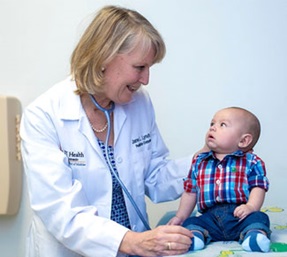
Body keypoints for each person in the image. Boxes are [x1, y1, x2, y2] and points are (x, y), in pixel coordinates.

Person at [20, 5, 194, 257]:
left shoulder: (139, 103)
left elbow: (155, 178)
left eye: (149, 68)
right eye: (139, 67)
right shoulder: (44, 115)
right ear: (104, 58)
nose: (146, 80)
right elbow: (61, 212)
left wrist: (206, 159)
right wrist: (133, 241)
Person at [168, 107, 271, 253]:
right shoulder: (199, 161)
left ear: (243, 140)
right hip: (210, 217)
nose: (213, 128)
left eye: (222, 125)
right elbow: (190, 192)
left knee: (259, 218)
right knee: (191, 222)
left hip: (239, 215)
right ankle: (195, 237)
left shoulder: (252, 162)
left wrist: (251, 207)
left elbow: (258, 187)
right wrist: (180, 216)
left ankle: (253, 236)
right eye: (212, 124)